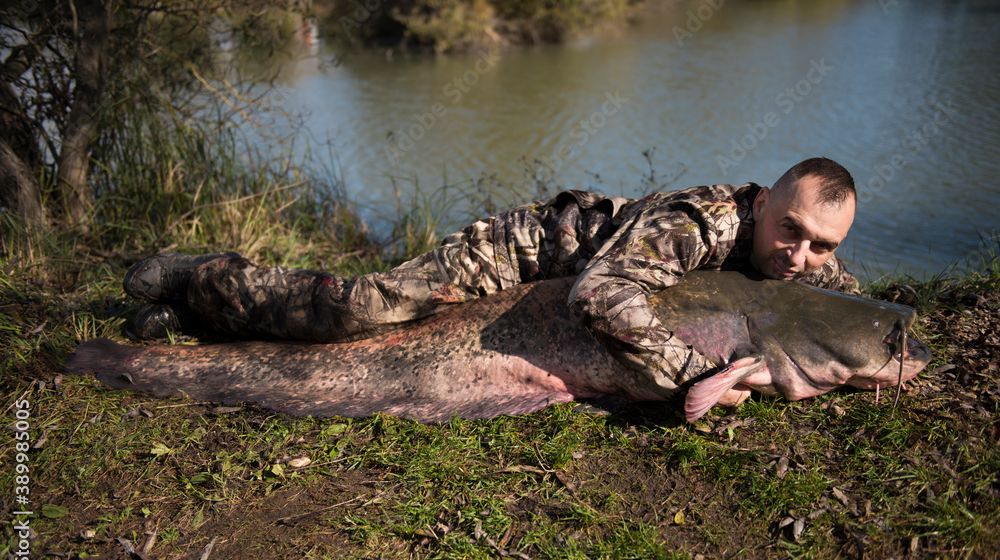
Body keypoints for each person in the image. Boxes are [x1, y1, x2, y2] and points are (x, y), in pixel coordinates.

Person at [123, 156, 859, 406]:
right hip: (520, 258)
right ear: (763, 204)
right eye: (789, 230)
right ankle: (205, 280)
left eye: (820, 247)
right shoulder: (696, 224)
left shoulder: (799, 261)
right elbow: (598, 296)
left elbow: (834, 300)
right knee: (363, 311)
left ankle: (195, 325)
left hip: (559, 283)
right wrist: (698, 373)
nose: (797, 256)